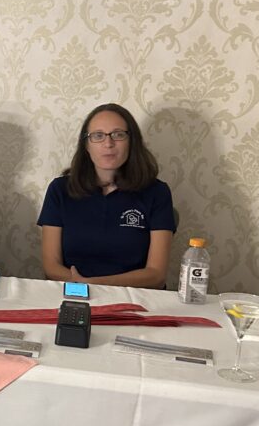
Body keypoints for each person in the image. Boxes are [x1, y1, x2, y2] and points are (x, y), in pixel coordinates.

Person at [37, 102, 175, 288]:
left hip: (134, 299)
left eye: (118, 135)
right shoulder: (60, 189)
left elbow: (156, 274)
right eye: (98, 136)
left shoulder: (157, 193)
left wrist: (92, 284)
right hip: (72, 293)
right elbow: (51, 266)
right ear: (86, 145)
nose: (108, 143)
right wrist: (80, 286)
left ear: (131, 142)